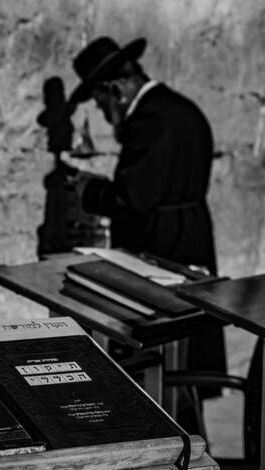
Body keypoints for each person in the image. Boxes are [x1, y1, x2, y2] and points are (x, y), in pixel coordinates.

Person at [62, 36, 226, 394]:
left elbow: (131, 198)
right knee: (186, 356)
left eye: (101, 104)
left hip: (162, 245)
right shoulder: (180, 108)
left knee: (160, 357)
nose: (103, 114)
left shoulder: (150, 120)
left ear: (116, 90)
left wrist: (87, 188)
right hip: (190, 234)